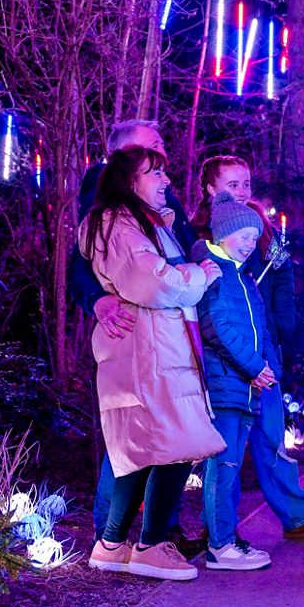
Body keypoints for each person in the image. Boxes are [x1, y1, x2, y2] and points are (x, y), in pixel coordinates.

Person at [81, 147, 227, 581]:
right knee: (176, 442)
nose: (166, 180)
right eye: (154, 173)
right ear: (130, 181)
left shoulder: (141, 222)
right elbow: (151, 281)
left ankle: (112, 544)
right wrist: (200, 275)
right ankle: (149, 546)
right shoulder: (120, 224)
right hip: (149, 349)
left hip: (156, 347)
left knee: (144, 448)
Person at [73, 120, 200, 553]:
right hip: (135, 329)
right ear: (124, 156)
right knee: (129, 435)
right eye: (153, 146)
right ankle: (109, 534)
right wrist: (96, 299)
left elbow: (180, 244)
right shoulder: (105, 195)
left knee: (169, 434)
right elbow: (84, 259)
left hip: (172, 326)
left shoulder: (161, 195)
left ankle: (159, 531)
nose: (163, 154)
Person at [193, 193, 304, 571]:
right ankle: (220, 545)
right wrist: (254, 366)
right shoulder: (215, 275)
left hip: (247, 386)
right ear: (222, 234)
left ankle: (226, 539)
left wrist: (266, 367)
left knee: (232, 463)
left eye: (255, 237)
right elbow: (217, 327)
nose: (250, 244)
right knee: (223, 465)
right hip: (226, 385)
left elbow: (260, 329)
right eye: (243, 236)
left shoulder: (242, 277)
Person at [191, 155, 296, 350]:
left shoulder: (264, 227)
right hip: (224, 341)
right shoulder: (198, 232)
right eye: (233, 185)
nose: (242, 192)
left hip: (266, 335)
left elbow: (283, 269)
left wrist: (282, 322)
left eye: (246, 184)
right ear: (211, 189)